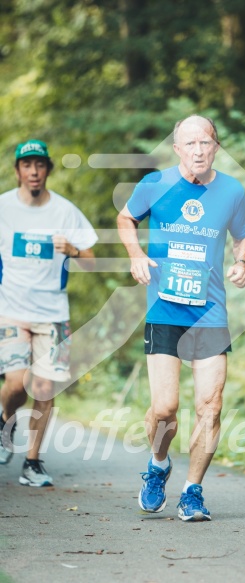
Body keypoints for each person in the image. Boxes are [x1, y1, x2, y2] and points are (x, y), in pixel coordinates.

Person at [117, 115, 245, 521]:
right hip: (165, 309)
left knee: (210, 407)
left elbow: (243, 234)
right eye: (190, 143)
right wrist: (136, 255)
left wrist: (242, 261)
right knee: (164, 409)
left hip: (210, 314)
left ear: (216, 147)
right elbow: (126, 219)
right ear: (177, 149)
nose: (198, 150)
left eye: (206, 142)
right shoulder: (154, 185)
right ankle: (159, 464)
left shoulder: (231, 190)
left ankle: (193, 491)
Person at [0, 140, 98, 487]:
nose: (33, 171)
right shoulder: (3, 208)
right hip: (10, 309)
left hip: (53, 313)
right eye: (27, 165)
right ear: (18, 171)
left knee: (43, 387)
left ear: (48, 170)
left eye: (40, 165)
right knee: (16, 383)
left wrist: (72, 250)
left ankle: (32, 462)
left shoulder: (65, 211)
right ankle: (4, 420)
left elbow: (91, 259)